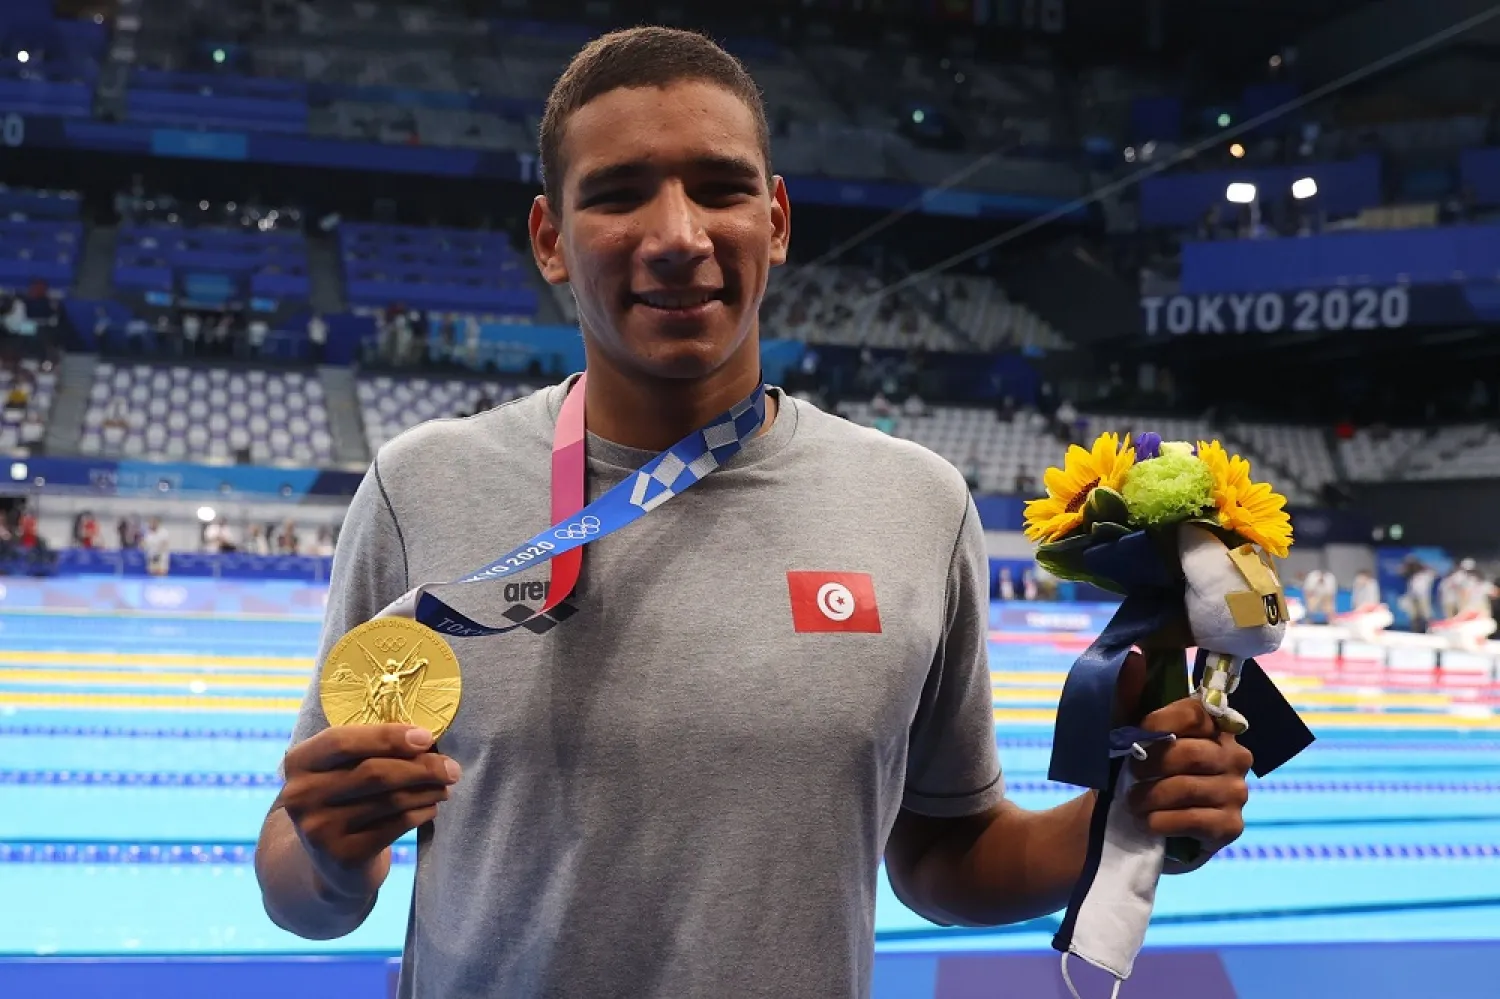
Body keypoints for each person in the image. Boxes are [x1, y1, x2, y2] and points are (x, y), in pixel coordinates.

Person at [255, 28, 1252, 999]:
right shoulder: (423, 487)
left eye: (721, 188)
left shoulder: (914, 503)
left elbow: (945, 847)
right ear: (551, 239)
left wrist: (1123, 818)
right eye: (617, 194)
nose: (680, 236)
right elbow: (298, 881)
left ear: (774, 219)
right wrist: (329, 860)